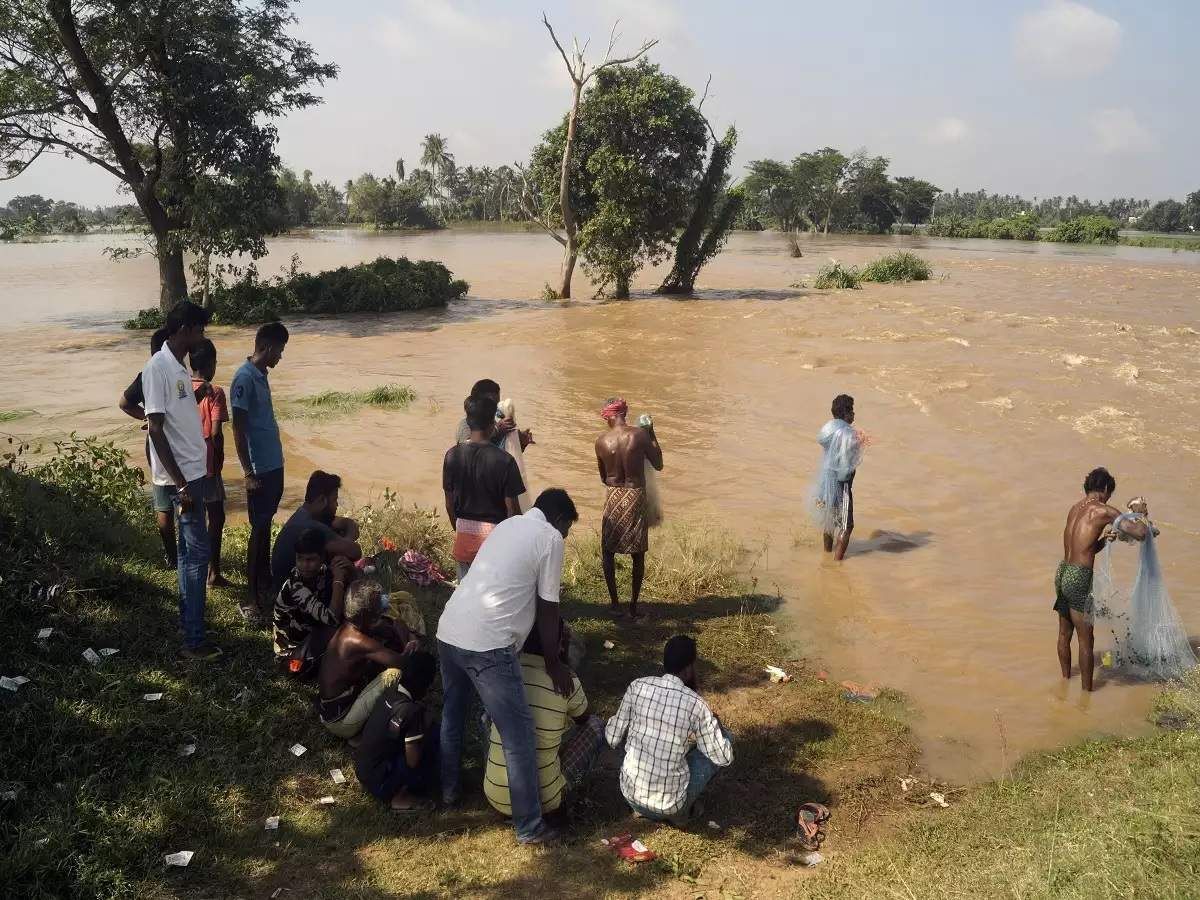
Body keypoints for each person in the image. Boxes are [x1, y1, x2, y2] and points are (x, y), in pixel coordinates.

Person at [436, 488, 579, 845]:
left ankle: (450, 793)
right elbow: (549, 609)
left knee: (453, 716)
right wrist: (553, 663)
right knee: (518, 737)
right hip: (488, 644)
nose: (564, 537)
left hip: (449, 628)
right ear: (559, 520)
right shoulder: (549, 538)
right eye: (566, 530)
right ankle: (529, 827)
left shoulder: (508, 525)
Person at [142, 300, 221, 661]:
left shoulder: (176, 366)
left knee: (189, 554)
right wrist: (182, 485)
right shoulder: (157, 368)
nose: (202, 336)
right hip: (183, 481)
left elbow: (175, 417)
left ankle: (188, 622)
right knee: (197, 555)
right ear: (185, 329)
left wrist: (195, 395)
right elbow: (155, 428)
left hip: (193, 473)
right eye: (199, 329)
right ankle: (194, 641)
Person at [483, 622, 605, 822]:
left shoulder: (506, 673)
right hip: (545, 803)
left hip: (496, 798)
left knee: (487, 717)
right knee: (596, 725)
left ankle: (496, 775)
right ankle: (565, 800)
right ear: (558, 646)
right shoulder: (566, 679)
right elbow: (584, 718)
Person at [606, 635, 733, 824]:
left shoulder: (637, 687)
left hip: (630, 795)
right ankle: (682, 814)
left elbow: (612, 738)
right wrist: (717, 725)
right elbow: (724, 757)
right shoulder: (696, 704)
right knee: (723, 742)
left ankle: (643, 809)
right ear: (690, 668)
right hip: (670, 806)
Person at [1056, 468, 1147, 692]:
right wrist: (1141, 512)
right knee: (1086, 638)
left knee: (1064, 634)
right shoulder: (1103, 511)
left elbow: (1082, 548)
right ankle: (1087, 694)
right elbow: (1140, 533)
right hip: (1079, 577)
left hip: (1062, 572)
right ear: (1105, 489)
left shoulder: (1075, 508)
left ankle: (1065, 682)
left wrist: (1104, 541)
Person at [231, 321, 289, 622]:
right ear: (266, 347)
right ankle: (251, 599)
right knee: (258, 530)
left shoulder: (260, 375)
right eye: (279, 351)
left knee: (266, 526)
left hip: (273, 464)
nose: (279, 357)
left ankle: (264, 583)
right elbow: (238, 429)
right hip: (259, 470)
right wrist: (247, 472)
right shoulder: (243, 378)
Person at [318, 580, 419, 740]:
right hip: (340, 722)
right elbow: (402, 662)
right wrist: (407, 640)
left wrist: (394, 626)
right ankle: (367, 730)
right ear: (369, 616)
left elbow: (389, 625)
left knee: (377, 661)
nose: (384, 608)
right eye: (379, 607)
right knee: (394, 673)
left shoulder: (349, 628)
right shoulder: (358, 641)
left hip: (332, 710)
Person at [443, 394, 526, 579]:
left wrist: (461, 531)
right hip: (495, 540)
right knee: (493, 595)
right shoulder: (505, 461)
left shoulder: (451, 456)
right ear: (492, 424)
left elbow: (449, 504)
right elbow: (512, 511)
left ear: (468, 423)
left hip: (463, 534)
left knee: (465, 591)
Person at [595, 398, 664, 620]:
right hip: (636, 495)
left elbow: (605, 478)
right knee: (638, 553)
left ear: (608, 416)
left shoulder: (601, 441)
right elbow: (658, 464)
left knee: (608, 550)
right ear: (624, 413)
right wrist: (652, 432)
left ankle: (615, 604)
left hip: (614, 495)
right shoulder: (639, 435)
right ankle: (633, 606)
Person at [119, 326, 177, 569]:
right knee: (166, 498)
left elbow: (125, 403)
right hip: (164, 439)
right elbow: (123, 403)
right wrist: (149, 418)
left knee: (164, 497)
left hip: (157, 440)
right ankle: (175, 556)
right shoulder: (162, 373)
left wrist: (146, 416)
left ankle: (172, 556)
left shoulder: (147, 374)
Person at [355, 650, 441, 811]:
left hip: (364, 770)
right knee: (435, 738)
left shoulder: (390, 692)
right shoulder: (411, 711)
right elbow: (412, 761)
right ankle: (400, 796)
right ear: (426, 683)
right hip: (381, 783)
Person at [273, 528, 353, 677]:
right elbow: (332, 619)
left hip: (310, 636)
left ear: (322, 558)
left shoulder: (321, 571)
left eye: (310, 559)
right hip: (292, 656)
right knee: (347, 630)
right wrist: (338, 580)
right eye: (300, 559)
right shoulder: (295, 587)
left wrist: (350, 569)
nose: (304, 565)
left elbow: (354, 590)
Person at [270, 470, 362, 594]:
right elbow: (355, 552)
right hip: (296, 594)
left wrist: (345, 540)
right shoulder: (312, 526)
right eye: (334, 500)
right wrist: (346, 544)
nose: (336, 505)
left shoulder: (302, 514)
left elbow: (349, 524)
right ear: (322, 500)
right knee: (342, 562)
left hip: (284, 587)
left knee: (338, 547)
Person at [189, 339, 230, 587]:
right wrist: (220, 459)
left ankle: (195, 570)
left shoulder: (181, 389)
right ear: (212, 364)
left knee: (193, 518)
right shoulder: (214, 392)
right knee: (216, 518)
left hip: (185, 465)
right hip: (207, 465)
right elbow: (216, 433)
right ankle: (213, 573)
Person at [812, 394, 862, 562]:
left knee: (829, 519)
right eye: (852, 411)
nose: (854, 415)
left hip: (825, 481)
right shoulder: (847, 433)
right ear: (846, 413)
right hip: (842, 484)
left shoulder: (828, 428)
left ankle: (826, 554)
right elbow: (846, 468)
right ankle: (836, 564)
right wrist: (858, 443)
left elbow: (825, 443)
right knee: (847, 526)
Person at [454, 378, 533, 450]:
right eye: (492, 404)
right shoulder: (465, 424)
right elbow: (469, 452)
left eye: (497, 404)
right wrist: (497, 430)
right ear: (477, 402)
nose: (495, 408)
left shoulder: (494, 422)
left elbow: (503, 454)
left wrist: (520, 443)